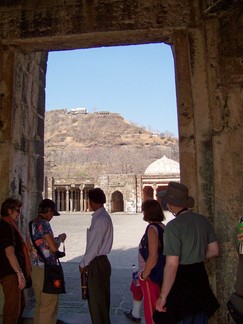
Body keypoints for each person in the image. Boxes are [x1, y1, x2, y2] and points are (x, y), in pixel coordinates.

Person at [155, 181, 220, 323]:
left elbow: (172, 265)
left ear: (170, 204)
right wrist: (195, 255)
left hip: (181, 283)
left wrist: (162, 297)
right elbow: (214, 250)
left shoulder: (173, 227)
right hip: (200, 277)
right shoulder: (203, 221)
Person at [125, 199, 166, 324]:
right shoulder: (162, 227)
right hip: (159, 273)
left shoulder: (152, 229)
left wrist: (144, 275)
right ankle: (135, 313)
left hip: (150, 276)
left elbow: (153, 256)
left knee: (151, 311)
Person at [29, 198, 66, 324]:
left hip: (35, 268)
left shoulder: (32, 223)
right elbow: (53, 247)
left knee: (40, 305)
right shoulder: (44, 224)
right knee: (49, 305)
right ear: (48, 210)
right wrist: (60, 238)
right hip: (47, 271)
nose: (52, 217)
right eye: (52, 214)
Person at [79, 188, 113, 324]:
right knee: (102, 300)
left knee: (96, 302)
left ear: (91, 201)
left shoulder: (99, 219)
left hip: (97, 262)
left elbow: (94, 246)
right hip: (101, 261)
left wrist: (83, 263)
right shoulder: (103, 216)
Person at [0, 197, 32, 323]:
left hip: (8, 270)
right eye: (17, 211)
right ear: (9, 211)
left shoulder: (8, 226)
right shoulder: (6, 227)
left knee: (18, 305)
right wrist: (19, 273)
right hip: (10, 272)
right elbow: (9, 252)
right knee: (12, 308)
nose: (19, 214)